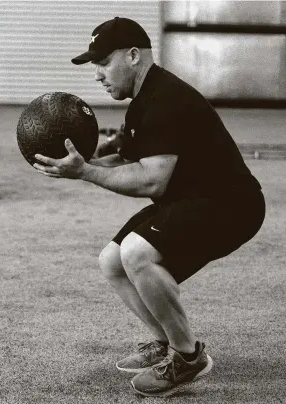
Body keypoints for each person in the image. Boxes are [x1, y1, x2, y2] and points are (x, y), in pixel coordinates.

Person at [34, 17, 265, 397]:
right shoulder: (143, 101)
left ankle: (187, 357)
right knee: (111, 260)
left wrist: (86, 174)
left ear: (134, 55)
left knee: (137, 253)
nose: (97, 75)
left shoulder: (165, 100)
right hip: (190, 197)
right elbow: (126, 162)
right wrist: (76, 167)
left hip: (230, 205)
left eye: (103, 63)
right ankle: (165, 343)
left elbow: (151, 179)